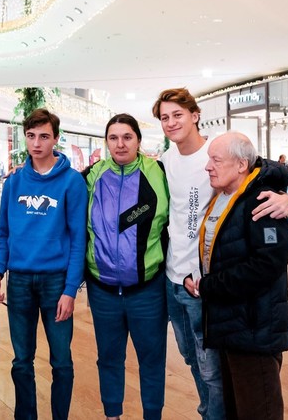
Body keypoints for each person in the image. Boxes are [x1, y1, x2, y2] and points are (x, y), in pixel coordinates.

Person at [151, 88, 288, 420]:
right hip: (174, 279)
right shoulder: (166, 161)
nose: (171, 123)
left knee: (216, 371)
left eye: (177, 115)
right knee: (196, 362)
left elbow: (263, 169)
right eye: (164, 117)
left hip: (208, 285)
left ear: (195, 115)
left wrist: (285, 196)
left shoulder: (218, 151)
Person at [0, 108, 87, 420]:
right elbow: (4, 232)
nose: (36, 143)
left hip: (56, 281)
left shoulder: (72, 182)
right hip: (19, 280)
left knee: (62, 362)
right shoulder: (14, 182)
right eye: (31, 136)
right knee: (21, 361)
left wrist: (70, 290)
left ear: (56, 139)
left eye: (44, 136)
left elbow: (78, 239)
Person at [197, 132, 288, 420]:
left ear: (241, 165)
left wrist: (210, 286)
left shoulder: (263, 201)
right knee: (237, 408)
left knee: (258, 409)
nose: (208, 166)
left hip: (254, 328)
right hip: (231, 323)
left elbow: (267, 264)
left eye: (216, 160)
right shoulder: (223, 196)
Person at [82, 113, 170, 420]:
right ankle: (112, 415)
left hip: (148, 290)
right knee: (108, 358)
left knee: (152, 360)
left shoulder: (160, 173)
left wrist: (278, 190)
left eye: (127, 137)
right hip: (103, 290)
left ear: (138, 141)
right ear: (106, 142)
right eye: (113, 138)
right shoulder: (91, 176)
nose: (120, 144)